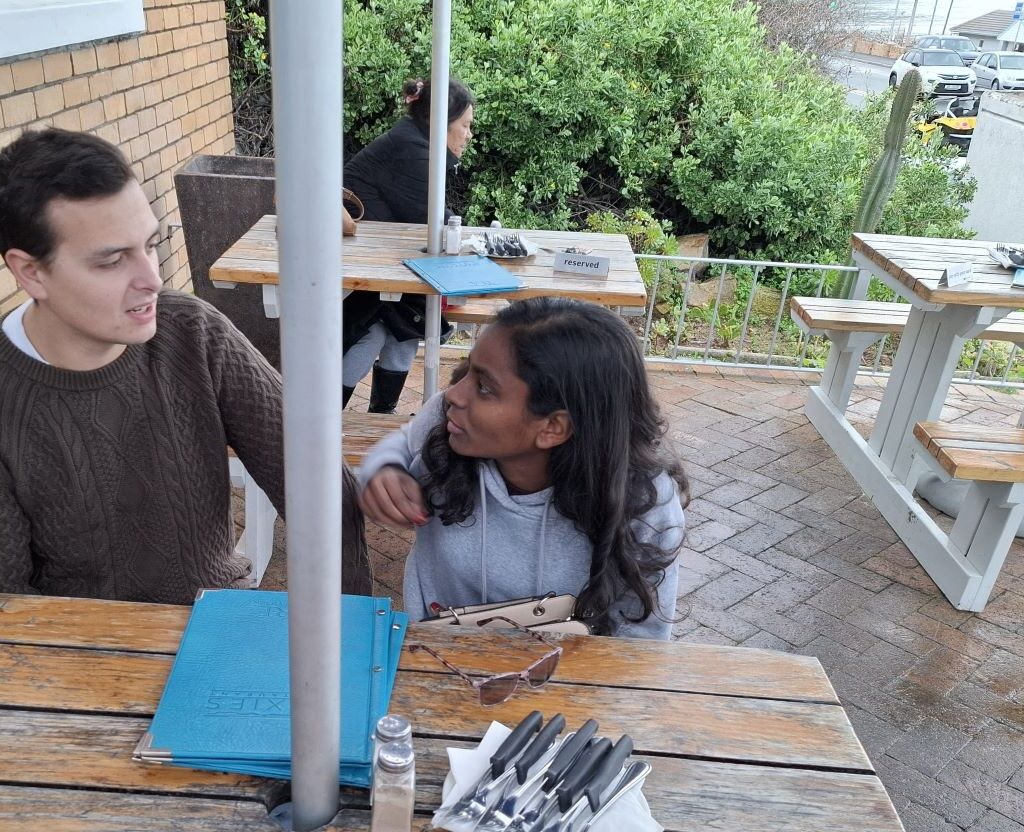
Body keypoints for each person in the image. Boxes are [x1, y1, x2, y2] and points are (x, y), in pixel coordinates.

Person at [0, 127, 370, 601]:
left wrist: (345, 631)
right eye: (113, 261)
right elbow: (10, 608)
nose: (151, 279)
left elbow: (317, 483)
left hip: (219, 621)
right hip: (83, 655)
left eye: (151, 245)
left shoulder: (191, 331)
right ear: (31, 272)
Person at [358, 297, 688, 639]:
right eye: (468, 370)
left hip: (566, 678)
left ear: (552, 428)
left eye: (484, 387)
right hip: (438, 654)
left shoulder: (644, 503)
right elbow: (403, 441)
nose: (453, 394)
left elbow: (640, 642)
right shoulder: (449, 422)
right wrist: (385, 470)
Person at [342, 77, 476, 414]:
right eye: (465, 125)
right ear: (440, 122)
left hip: (372, 263)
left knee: (401, 330)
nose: (468, 135)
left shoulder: (416, 143)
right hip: (351, 269)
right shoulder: (414, 152)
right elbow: (435, 226)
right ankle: (328, 423)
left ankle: (380, 418)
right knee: (377, 332)